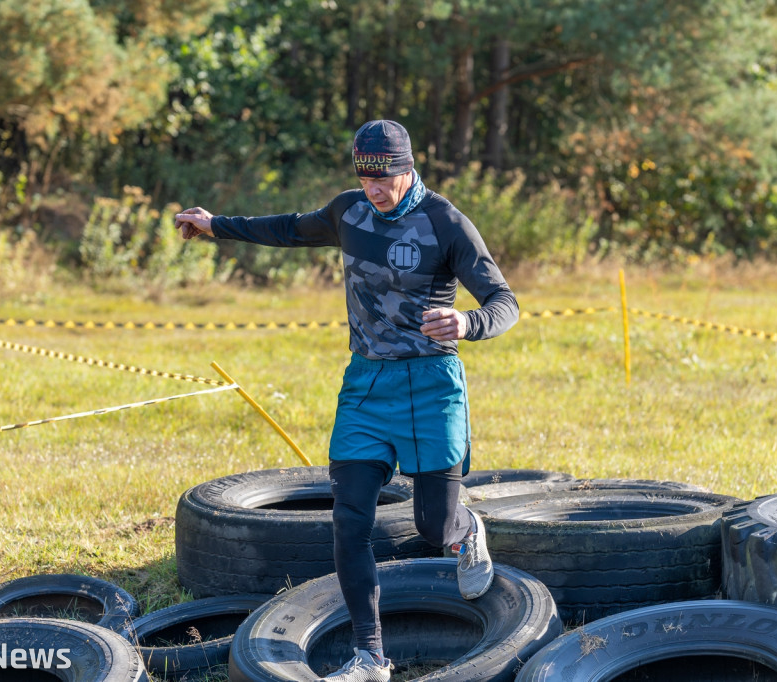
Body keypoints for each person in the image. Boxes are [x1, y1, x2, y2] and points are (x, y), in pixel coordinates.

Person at [174, 119, 519, 682]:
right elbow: (286, 227)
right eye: (365, 177)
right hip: (365, 387)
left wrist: (467, 320)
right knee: (349, 519)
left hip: (431, 385)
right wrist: (217, 226)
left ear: (409, 168)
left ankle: (464, 529)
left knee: (433, 528)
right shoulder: (348, 212)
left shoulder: (445, 222)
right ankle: (370, 658)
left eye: (385, 177)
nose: (374, 189)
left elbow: (504, 301)